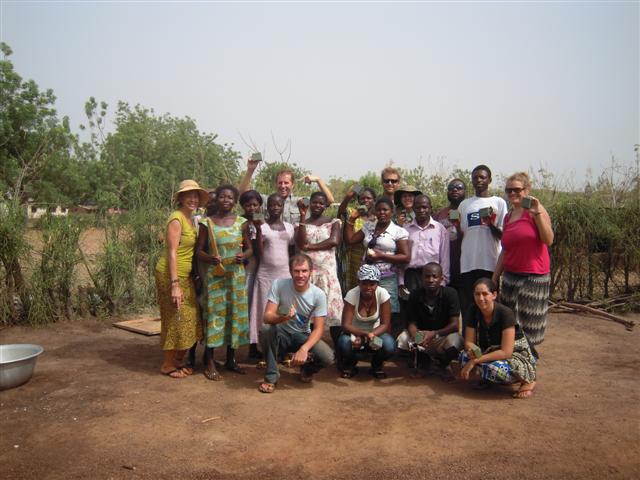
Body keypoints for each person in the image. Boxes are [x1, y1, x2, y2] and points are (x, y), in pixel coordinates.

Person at [492, 172, 553, 352]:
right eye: (509, 190)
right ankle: (515, 364)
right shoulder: (509, 216)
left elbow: (548, 240)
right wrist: (495, 277)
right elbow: (505, 249)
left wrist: (538, 215)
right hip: (511, 277)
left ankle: (529, 366)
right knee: (512, 325)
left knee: (530, 326)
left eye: (517, 190)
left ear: (527, 190)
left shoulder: (536, 210)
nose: (512, 194)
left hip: (533, 277)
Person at [196, 184, 252, 380]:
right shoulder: (207, 223)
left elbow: (250, 249)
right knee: (215, 316)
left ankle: (231, 359)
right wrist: (210, 258)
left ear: (235, 202)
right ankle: (209, 361)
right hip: (216, 278)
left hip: (235, 277)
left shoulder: (242, 223)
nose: (226, 200)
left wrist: (243, 255)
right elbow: (199, 250)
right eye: (222, 197)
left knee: (233, 316)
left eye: (230, 198)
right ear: (216, 199)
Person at [258, 254, 335, 393]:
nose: (300, 275)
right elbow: (267, 317)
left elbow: (318, 329)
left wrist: (304, 349)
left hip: (302, 335)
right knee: (266, 329)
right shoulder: (279, 284)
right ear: (290, 271)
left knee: (328, 357)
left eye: (304, 271)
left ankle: (306, 368)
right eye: (297, 271)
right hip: (281, 333)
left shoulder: (318, 294)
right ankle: (271, 377)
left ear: (311, 271)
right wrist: (284, 318)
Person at [155, 179, 207, 378]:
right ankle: (167, 364)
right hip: (171, 275)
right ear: (181, 198)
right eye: (189, 196)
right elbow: (172, 252)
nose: (193, 199)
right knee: (176, 317)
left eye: (196, 196)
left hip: (184, 275)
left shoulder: (190, 218)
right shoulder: (176, 218)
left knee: (190, 317)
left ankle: (177, 359)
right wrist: (175, 284)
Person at [458, 278, 537, 399]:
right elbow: (469, 341)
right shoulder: (472, 310)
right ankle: (487, 379)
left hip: (515, 355)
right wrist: (472, 351)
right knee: (463, 357)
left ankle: (528, 380)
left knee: (495, 369)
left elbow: (506, 352)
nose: (480, 298)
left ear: (494, 295)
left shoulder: (505, 313)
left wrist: (475, 361)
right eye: (477, 294)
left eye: (485, 294)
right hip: (489, 350)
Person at [344, 197, 410, 325]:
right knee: (368, 308)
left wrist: (381, 256)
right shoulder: (369, 226)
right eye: (379, 210)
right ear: (375, 211)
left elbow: (405, 256)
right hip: (366, 278)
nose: (382, 213)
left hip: (387, 277)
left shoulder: (398, 231)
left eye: (385, 210)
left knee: (389, 310)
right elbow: (350, 240)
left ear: (392, 212)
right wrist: (351, 219)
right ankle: (369, 339)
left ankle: (387, 341)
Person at [457, 165, 508, 317]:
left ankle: (490, 340)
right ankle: (468, 339)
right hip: (468, 263)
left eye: (482, 177)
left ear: (489, 180)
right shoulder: (464, 205)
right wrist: (455, 226)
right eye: (475, 177)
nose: (478, 180)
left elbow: (503, 236)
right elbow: (462, 234)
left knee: (490, 306)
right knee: (469, 306)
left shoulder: (498, 203)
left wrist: (490, 224)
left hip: (490, 262)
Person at [397, 263, 462, 377]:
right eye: (427, 276)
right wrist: (417, 337)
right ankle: (425, 362)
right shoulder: (415, 295)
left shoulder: (450, 293)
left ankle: (442, 365)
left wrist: (433, 334)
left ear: (441, 279)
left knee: (456, 341)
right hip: (422, 337)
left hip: (441, 336)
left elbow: (455, 325)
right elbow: (412, 322)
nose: (431, 280)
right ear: (422, 278)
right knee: (402, 340)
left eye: (434, 276)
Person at [296, 191, 344, 345]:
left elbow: (334, 241)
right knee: (309, 312)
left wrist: (310, 246)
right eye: (314, 202)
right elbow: (300, 243)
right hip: (309, 275)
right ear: (309, 203)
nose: (317, 205)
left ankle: (340, 351)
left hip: (327, 274)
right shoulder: (302, 222)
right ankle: (310, 350)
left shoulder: (333, 221)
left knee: (334, 313)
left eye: (321, 203)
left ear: (325, 205)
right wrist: (303, 216)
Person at [250, 194, 295, 350]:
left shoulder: (289, 227)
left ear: (283, 207)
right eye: (271, 205)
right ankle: (262, 347)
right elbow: (259, 252)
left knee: (284, 309)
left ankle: (282, 347)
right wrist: (258, 229)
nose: (275, 208)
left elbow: (291, 251)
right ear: (267, 208)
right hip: (265, 275)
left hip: (284, 275)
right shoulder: (262, 227)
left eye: (278, 205)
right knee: (263, 310)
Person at [337, 265, 395, 379]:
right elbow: (346, 325)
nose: (368, 287)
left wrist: (371, 335)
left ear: (377, 283)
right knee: (344, 342)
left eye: (372, 284)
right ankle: (350, 364)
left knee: (389, 345)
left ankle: (377, 365)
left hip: (375, 334)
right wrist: (364, 335)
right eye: (364, 283)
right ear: (359, 282)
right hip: (355, 334)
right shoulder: (352, 294)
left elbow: (385, 324)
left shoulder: (383, 294)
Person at [238, 156, 334, 224]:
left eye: (286, 183)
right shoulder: (265, 200)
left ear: (293, 185)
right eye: (280, 183)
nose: (283, 186)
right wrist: (250, 170)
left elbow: (329, 201)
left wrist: (318, 180)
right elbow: (244, 195)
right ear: (276, 184)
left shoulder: (302, 201)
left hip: (295, 249)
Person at [398, 194, 450, 293]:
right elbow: (401, 258)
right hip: (411, 277)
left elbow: (445, 259)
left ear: (430, 208)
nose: (421, 210)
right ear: (413, 209)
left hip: (433, 277)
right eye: (418, 208)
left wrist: (443, 282)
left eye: (424, 207)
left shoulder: (440, 230)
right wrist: (401, 282)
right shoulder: (405, 229)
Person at [337, 185, 377, 291]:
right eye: (362, 198)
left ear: (374, 200)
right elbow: (341, 211)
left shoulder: (377, 218)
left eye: (368, 198)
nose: (365, 200)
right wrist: (348, 197)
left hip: (368, 258)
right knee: (352, 289)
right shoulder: (353, 212)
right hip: (351, 257)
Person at [239, 189, 264, 358]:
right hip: (245, 268)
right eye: (248, 205)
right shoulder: (239, 223)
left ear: (260, 206)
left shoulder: (263, 223)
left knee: (258, 306)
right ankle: (250, 345)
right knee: (247, 305)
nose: (251, 208)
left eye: (255, 204)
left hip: (261, 267)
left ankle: (256, 345)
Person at [434, 178, 466, 301]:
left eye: (459, 187)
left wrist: (458, 226)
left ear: (465, 191)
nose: (455, 190)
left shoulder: (468, 211)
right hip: (445, 264)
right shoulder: (439, 215)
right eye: (451, 188)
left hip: (464, 263)